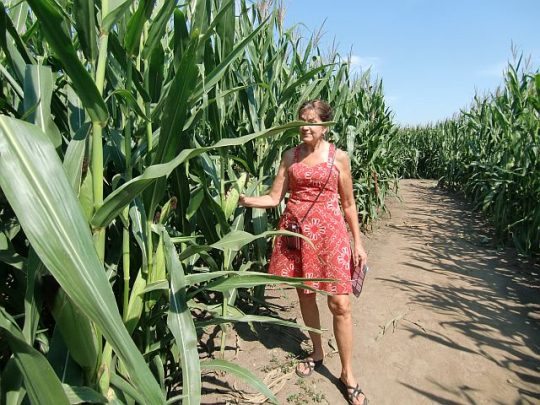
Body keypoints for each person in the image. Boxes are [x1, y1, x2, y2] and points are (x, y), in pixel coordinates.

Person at [239, 99, 368, 405]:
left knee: (340, 304)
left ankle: (347, 373)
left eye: (312, 121)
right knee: (306, 295)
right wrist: (245, 200)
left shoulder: (339, 158)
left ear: (325, 126)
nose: (305, 127)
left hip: (331, 236)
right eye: (301, 120)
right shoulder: (290, 156)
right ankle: (318, 351)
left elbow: (348, 204)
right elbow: (274, 198)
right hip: (297, 235)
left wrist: (358, 243)